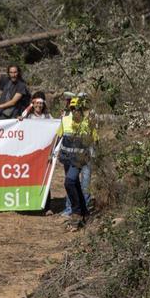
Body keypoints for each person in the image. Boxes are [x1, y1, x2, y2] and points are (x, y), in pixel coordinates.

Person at [54, 96, 98, 230]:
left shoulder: (88, 122)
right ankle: (83, 211)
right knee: (74, 183)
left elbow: (95, 141)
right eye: (73, 109)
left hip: (81, 160)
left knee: (69, 182)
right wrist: (53, 154)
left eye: (78, 109)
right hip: (68, 159)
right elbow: (58, 137)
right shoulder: (65, 120)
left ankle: (76, 211)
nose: (75, 112)